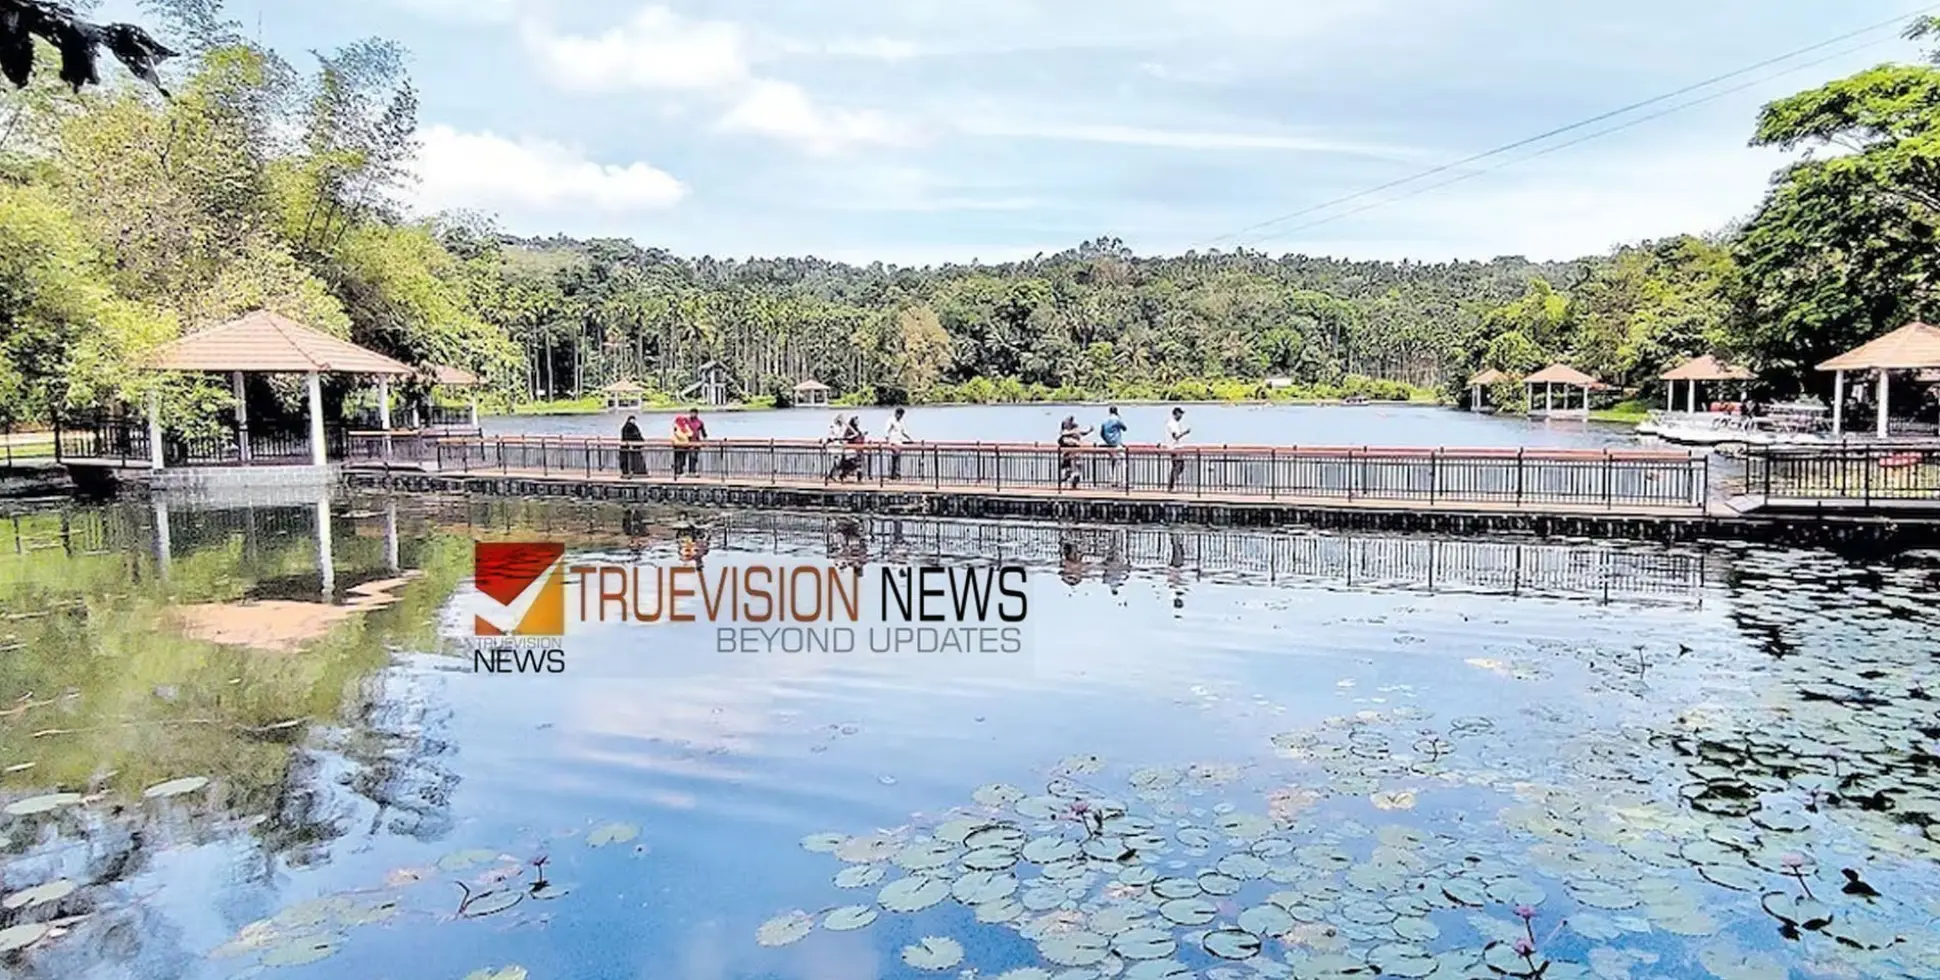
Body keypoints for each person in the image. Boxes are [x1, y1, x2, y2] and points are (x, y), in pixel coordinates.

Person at [1057, 416, 1092, 488]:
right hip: (1068, 453)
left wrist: (1089, 431)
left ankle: (1074, 480)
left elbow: (1082, 433)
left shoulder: (1075, 428)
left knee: (1076, 466)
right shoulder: (1065, 432)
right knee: (1068, 466)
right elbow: (1063, 434)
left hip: (1075, 452)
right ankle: (1068, 478)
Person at [671, 407, 706, 477]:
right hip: (685, 442)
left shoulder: (700, 422)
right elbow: (678, 424)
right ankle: (679, 472)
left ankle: (692, 472)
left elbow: (703, 432)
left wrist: (704, 440)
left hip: (695, 442)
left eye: (694, 413)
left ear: (697, 414)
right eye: (691, 413)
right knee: (681, 458)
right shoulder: (686, 421)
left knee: (693, 457)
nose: (693, 414)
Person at [1098, 406, 1127, 485]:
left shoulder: (1105, 421)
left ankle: (1112, 480)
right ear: (1116, 411)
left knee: (1112, 462)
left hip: (1108, 445)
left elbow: (1101, 434)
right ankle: (1123, 481)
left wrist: (1107, 440)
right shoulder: (1117, 420)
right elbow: (1125, 428)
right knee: (1122, 461)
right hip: (1117, 444)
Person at [1165, 406, 1191, 493]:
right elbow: (1175, 436)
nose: (1181, 416)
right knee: (1178, 466)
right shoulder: (1171, 424)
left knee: (1177, 466)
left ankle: (1171, 485)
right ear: (1176, 414)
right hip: (1174, 448)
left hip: (1176, 447)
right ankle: (1173, 485)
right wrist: (1185, 433)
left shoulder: (1175, 423)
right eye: (1180, 414)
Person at [884, 407, 912, 480]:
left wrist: (910, 439)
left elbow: (904, 431)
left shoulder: (901, 422)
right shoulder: (891, 420)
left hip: (899, 442)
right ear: (897, 413)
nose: (901, 417)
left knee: (897, 458)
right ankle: (894, 474)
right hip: (893, 442)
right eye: (900, 415)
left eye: (902, 415)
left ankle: (896, 474)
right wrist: (888, 441)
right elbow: (886, 431)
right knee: (895, 458)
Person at [842, 415, 868, 481]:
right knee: (855, 464)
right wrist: (854, 435)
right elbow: (845, 438)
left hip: (859, 449)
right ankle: (844, 474)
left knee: (860, 463)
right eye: (856, 420)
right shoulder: (849, 429)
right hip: (851, 449)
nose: (858, 422)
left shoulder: (856, 429)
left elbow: (859, 435)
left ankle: (860, 477)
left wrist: (862, 434)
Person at [824, 413, 848, 482]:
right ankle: (832, 475)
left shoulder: (840, 428)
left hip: (838, 447)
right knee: (836, 462)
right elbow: (833, 436)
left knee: (838, 462)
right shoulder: (835, 427)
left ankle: (832, 475)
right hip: (834, 447)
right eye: (842, 420)